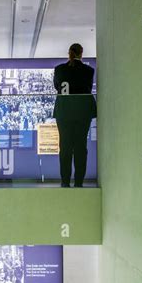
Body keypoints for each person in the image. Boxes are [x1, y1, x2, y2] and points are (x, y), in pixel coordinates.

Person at [53, 44, 96, 187]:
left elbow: (57, 86)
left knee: (65, 147)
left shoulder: (59, 70)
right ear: (81, 54)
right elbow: (88, 88)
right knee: (80, 147)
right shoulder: (89, 71)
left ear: (69, 53)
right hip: (82, 112)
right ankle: (79, 183)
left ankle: (65, 182)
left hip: (64, 112)